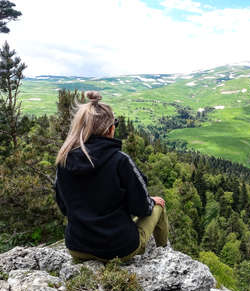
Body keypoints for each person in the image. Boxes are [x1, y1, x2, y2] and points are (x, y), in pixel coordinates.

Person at [53, 91, 168, 262]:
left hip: (78, 248)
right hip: (119, 249)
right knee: (159, 205)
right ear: (110, 129)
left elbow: (64, 207)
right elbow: (141, 208)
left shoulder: (64, 160)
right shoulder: (120, 160)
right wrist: (152, 201)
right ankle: (165, 256)